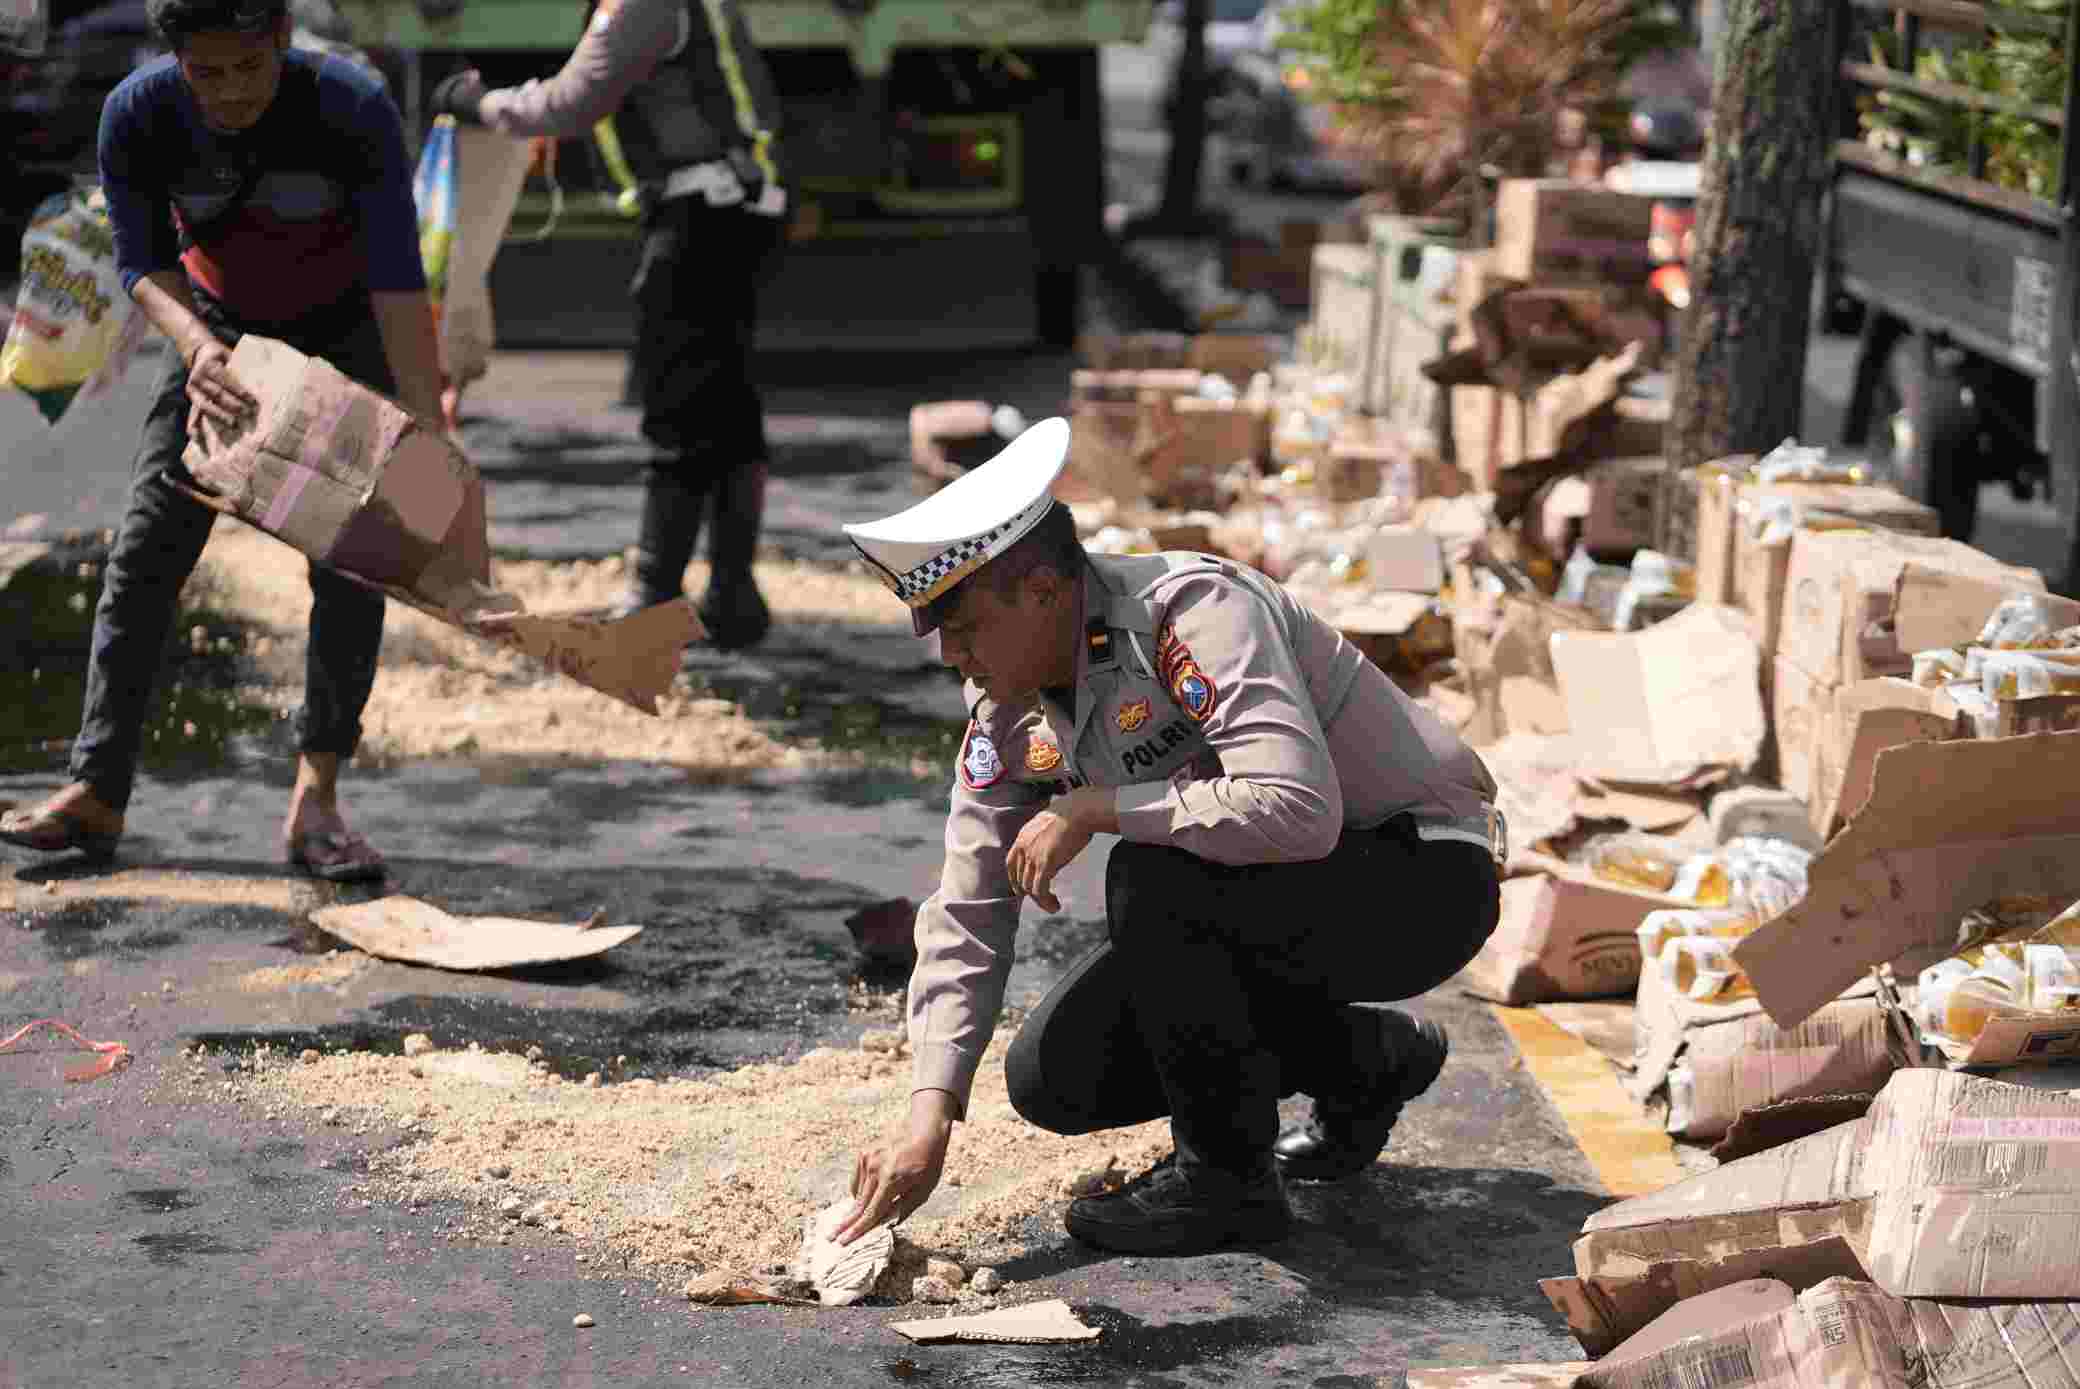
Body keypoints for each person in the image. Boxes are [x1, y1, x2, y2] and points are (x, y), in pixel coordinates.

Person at [834, 418, 1505, 1257]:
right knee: (1054, 1076)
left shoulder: (1192, 610)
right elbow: (970, 904)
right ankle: (1364, 1060)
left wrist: (1099, 807)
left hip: (1420, 878)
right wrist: (928, 1118)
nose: (953, 658)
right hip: (1277, 901)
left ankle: (1228, 1184)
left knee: (1153, 878)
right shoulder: (1005, 712)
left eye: (966, 629)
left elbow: (1299, 805)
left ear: (1043, 590)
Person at [0, 0, 444, 880]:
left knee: (349, 570)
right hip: (219, 344)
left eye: (248, 67)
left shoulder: (351, 107)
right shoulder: (138, 112)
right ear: (177, 59)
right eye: (207, 73)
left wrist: (428, 433)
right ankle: (96, 792)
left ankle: (316, 803)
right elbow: (139, 262)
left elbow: (397, 276)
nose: (230, 91)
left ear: (281, 38)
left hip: (343, 341)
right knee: (144, 556)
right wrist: (199, 345)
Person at [427, 0, 787, 649]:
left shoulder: (641, 4)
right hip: (739, 206)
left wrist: (474, 102)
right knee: (727, 407)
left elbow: (570, 101)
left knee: (677, 409)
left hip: (699, 216)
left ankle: (654, 599)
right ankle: (735, 595)